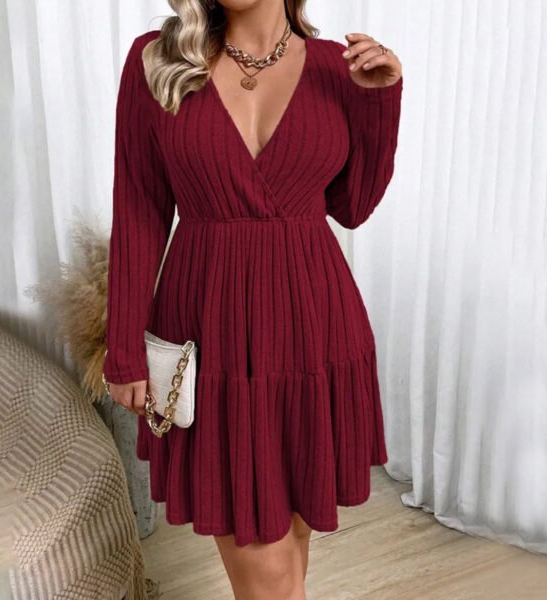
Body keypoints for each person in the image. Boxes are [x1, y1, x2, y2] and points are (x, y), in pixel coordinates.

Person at [102, 1, 403, 598]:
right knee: (271, 577)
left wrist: (379, 101)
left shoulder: (337, 67)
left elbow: (352, 207)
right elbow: (138, 207)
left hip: (314, 330)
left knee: (289, 554)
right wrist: (124, 349)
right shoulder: (158, 59)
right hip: (210, 335)